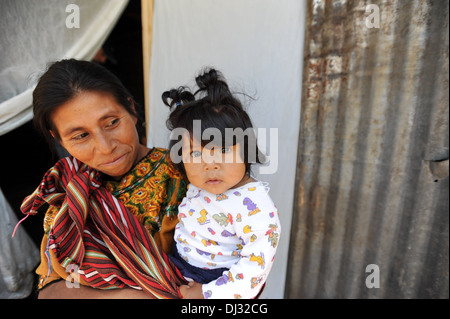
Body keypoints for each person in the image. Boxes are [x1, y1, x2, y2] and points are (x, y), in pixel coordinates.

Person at [20, 59, 187, 298]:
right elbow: (50, 289)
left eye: (112, 123)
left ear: (131, 109)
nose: (105, 147)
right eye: (80, 136)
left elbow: (238, 275)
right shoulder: (69, 196)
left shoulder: (187, 177)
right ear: (58, 139)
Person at [162, 68, 281, 299]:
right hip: (177, 265)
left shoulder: (256, 208)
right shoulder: (199, 182)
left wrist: (207, 293)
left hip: (219, 283)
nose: (210, 164)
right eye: (195, 154)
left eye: (224, 150)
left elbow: (254, 271)